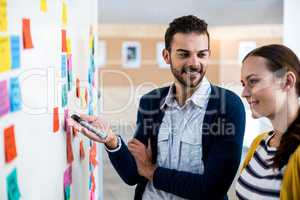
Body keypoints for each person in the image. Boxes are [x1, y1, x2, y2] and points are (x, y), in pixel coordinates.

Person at [70, 15, 245, 200]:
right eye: (184, 54)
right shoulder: (151, 102)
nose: (194, 63)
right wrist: (111, 139)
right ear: (166, 56)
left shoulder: (229, 106)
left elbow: (212, 189)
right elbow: (133, 174)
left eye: (201, 54)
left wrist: (152, 171)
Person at [236, 44, 300, 200]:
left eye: (253, 81)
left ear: (287, 81)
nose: (244, 93)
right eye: (244, 84)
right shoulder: (259, 144)